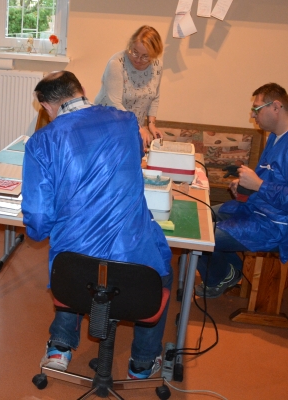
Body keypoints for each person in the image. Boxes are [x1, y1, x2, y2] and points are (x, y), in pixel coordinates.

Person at [22, 71, 172, 379]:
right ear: (82, 90)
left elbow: (37, 220)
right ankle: (143, 361)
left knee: (74, 259)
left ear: (47, 106)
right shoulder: (127, 121)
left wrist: (44, 228)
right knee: (163, 273)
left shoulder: (42, 141)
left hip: (75, 271)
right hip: (135, 264)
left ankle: (60, 347)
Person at [195, 83, 288, 298]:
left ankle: (220, 276)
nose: (252, 115)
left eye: (256, 108)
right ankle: (231, 270)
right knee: (200, 216)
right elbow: (273, 179)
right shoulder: (276, 135)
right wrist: (246, 185)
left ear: (276, 106)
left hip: (278, 227)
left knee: (201, 238)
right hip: (259, 210)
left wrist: (259, 185)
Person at [94, 25, 164, 147]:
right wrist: (136, 127)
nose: (138, 59)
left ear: (154, 55)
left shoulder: (157, 66)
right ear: (130, 45)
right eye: (135, 52)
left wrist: (151, 124)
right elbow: (114, 103)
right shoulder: (116, 64)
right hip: (107, 125)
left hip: (132, 126)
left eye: (145, 56)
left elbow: (154, 97)